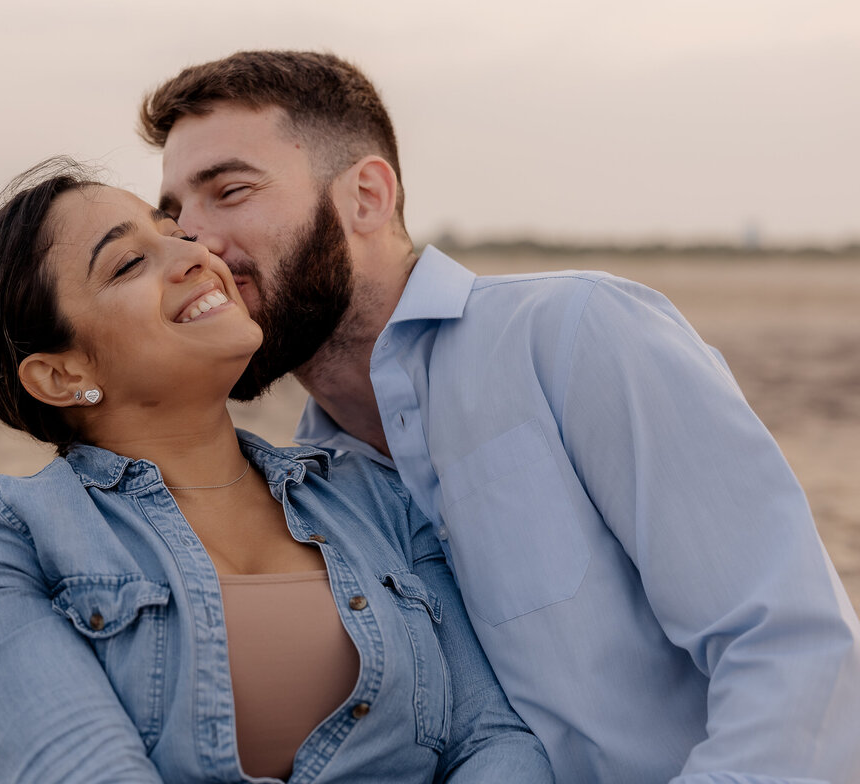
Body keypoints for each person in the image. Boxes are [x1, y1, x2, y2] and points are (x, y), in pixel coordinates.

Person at [141, 50, 860, 783]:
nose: (188, 239)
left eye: (228, 191)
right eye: (171, 214)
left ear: (366, 196)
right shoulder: (313, 489)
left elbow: (797, 656)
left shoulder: (577, 334)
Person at [0, 160, 554, 783]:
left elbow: (494, 742)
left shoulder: (374, 495)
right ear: (62, 374)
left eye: (178, 236)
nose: (196, 254)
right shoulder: (1, 537)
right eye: (130, 263)